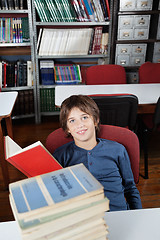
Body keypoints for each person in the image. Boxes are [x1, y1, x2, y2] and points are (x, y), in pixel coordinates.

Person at [53, 95, 142, 211]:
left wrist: (137, 214)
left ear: (95, 120)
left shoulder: (117, 150)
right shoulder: (61, 155)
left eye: (84, 117)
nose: (79, 125)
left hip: (118, 214)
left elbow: (130, 188)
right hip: (83, 218)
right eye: (72, 120)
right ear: (67, 128)